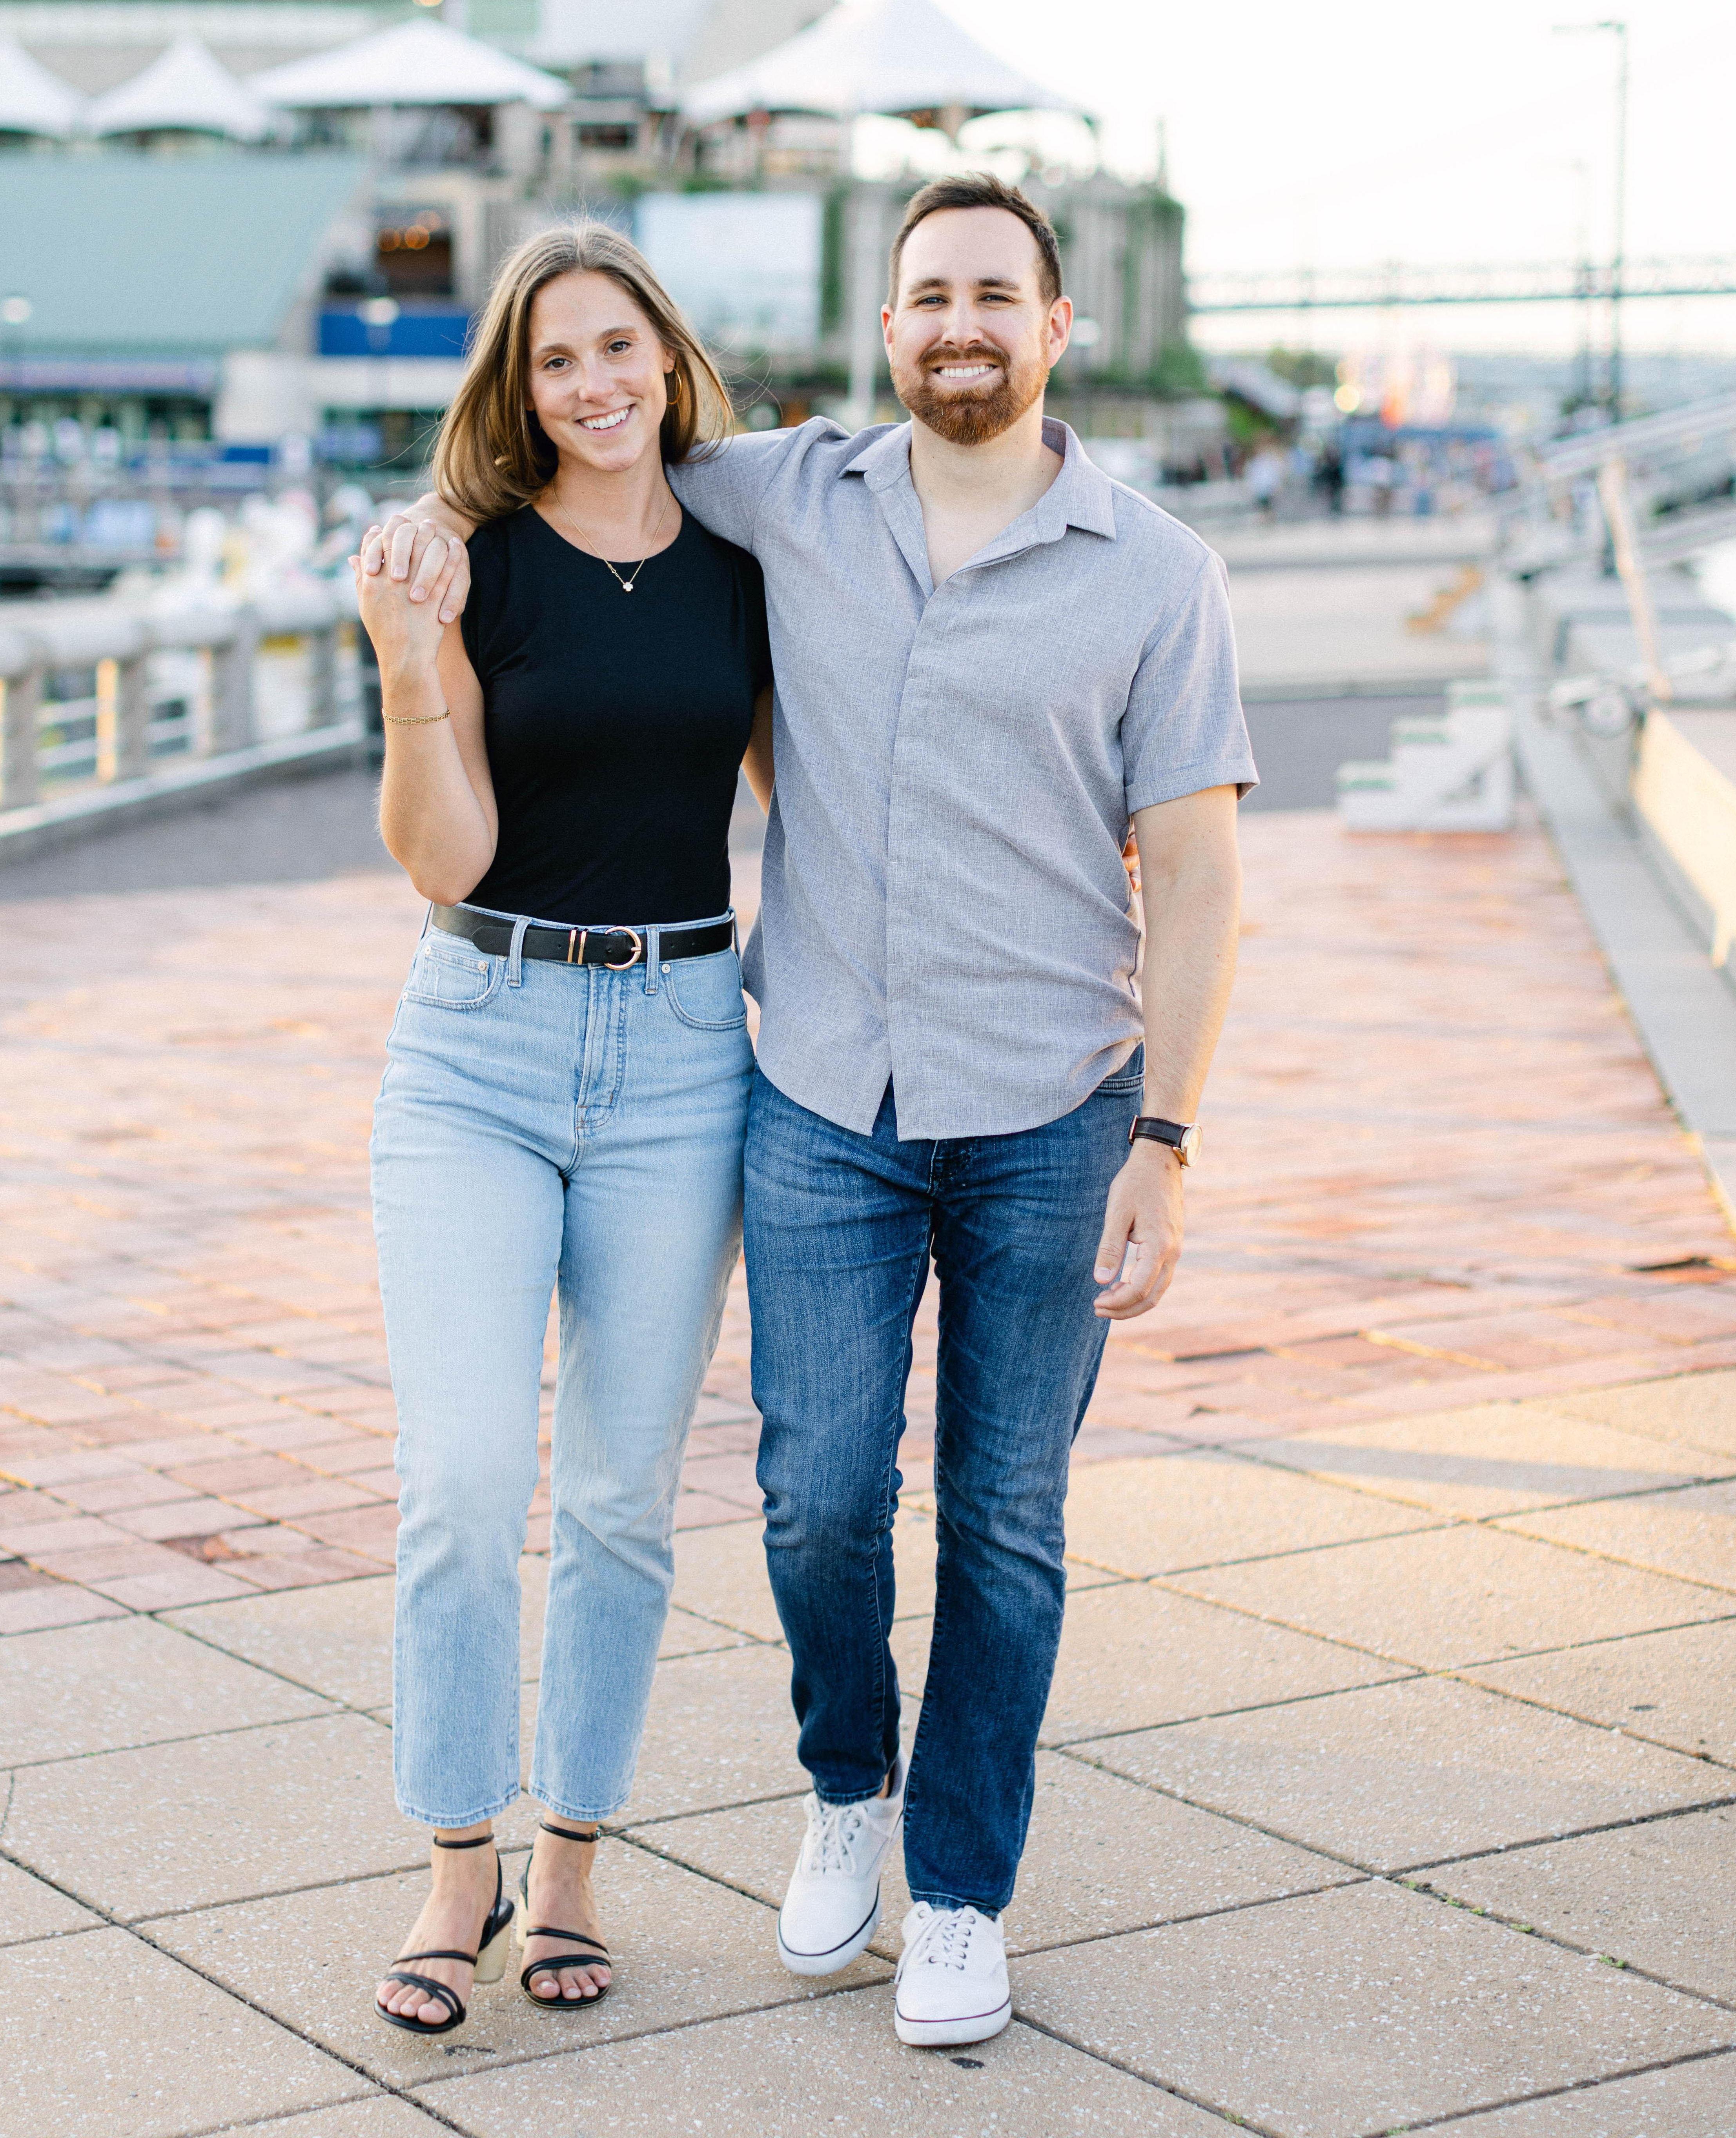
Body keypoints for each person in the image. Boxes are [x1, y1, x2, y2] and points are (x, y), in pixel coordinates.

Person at [370, 171, 1252, 2051]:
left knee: (998, 1520)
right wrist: (414, 564)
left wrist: (1166, 1139)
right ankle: (821, 1788)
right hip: (798, 1087)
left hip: (1038, 1101)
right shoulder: (788, 495)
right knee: (806, 1497)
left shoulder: (1153, 571)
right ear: (887, 326)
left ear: (1053, 326)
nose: (960, 326)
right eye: (929, 295)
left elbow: (1195, 869)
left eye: (995, 296)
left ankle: (953, 1891)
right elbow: (572, 481)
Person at [351, 222, 772, 2039]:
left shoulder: (748, 565)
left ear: (667, 356)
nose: (593, 384)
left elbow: (819, 793)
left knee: (616, 1497)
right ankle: (459, 1860)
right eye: (554, 361)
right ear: (516, 393)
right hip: (480, 1042)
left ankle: (576, 1856)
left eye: (617, 347)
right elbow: (441, 855)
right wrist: (406, 651)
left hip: (683, 1049)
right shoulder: (473, 568)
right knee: (459, 1479)